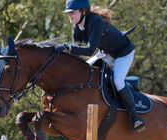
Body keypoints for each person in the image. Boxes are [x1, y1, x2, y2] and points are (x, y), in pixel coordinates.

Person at [56, 0, 145, 132]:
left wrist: (67, 47)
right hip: (107, 53)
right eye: (68, 13)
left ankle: (134, 117)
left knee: (117, 81)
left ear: (83, 11)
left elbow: (88, 50)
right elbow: (77, 52)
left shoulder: (95, 22)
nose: (70, 16)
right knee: (83, 71)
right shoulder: (76, 27)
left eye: (73, 12)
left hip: (123, 53)